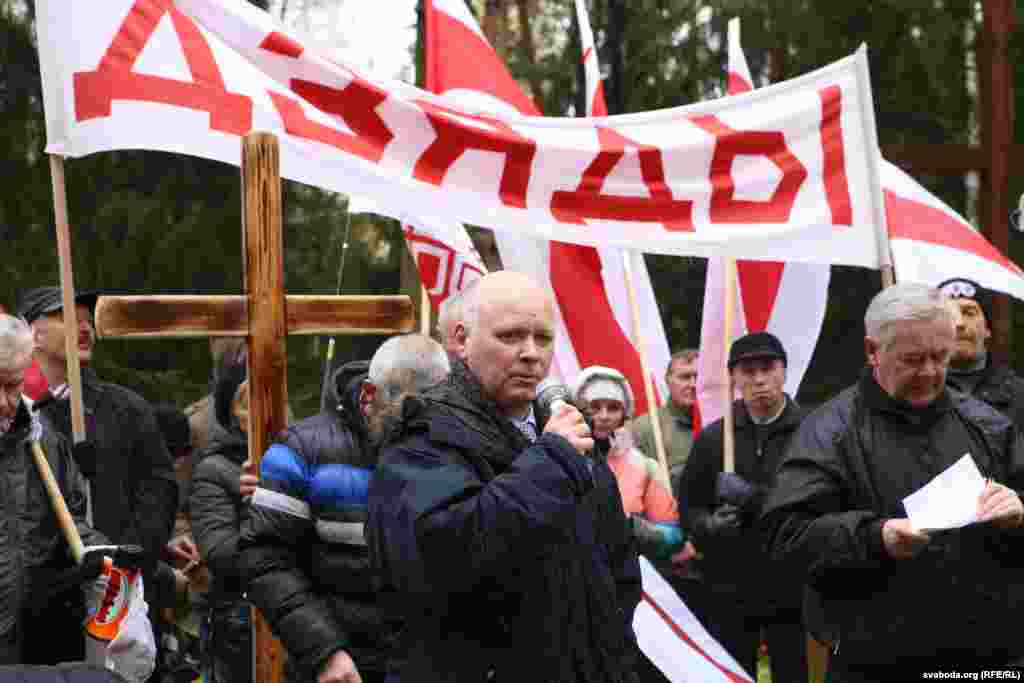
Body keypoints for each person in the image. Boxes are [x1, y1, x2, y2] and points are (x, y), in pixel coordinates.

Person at [368, 271, 642, 683]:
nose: (531, 353)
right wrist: (551, 463)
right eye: (511, 336)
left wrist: (612, 657)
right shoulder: (423, 435)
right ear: (461, 340)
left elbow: (618, 569)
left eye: (543, 338)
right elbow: (447, 556)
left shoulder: (572, 435)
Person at [761, 283, 1024, 681]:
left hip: (991, 659)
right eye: (913, 360)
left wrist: (1019, 510)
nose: (930, 372)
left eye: (940, 356)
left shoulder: (987, 425)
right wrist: (874, 538)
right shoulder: (829, 433)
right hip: (876, 661)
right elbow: (785, 536)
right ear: (873, 351)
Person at [240, 334, 450, 683]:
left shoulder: (450, 448)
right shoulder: (301, 450)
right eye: (410, 411)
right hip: (339, 669)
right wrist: (325, 652)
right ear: (369, 396)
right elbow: (264, 557)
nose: (422, 427)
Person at [18, 286, 178, 663]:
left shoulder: (127, 409)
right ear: (33, 334)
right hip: (40, 609)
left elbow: (159, 493)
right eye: (68, 318)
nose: (85, 328)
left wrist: (126, 563)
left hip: (118, 598)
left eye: (88, 320)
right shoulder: (16, 415)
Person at [678, 331, 807, 682]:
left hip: (792, 584)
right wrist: (707, 526)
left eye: (767, 368)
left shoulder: (811, 433)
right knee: (732, 673)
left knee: (794, 673)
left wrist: (751, 499)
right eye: (748, 371)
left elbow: (814, 505)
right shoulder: (714, 438)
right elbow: (688, 506)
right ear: (733, 378)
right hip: (730, 583)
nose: (759, 379)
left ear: (784, 371)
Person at [0, 314, 109, 664]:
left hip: (34, 638)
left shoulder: (41, 439)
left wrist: (101, 554)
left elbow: (69, 522)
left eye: (12, 386)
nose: (4, 402)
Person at [571, 365, 682, 560]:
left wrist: (639, 530)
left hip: (624, 569)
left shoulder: (644, 466)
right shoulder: (558, 458)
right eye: (594, 407)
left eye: (613, 408)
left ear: (625, 414)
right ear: (578, 409)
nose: (604, 416)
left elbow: (673, 535)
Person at [190, 357, 252, 683]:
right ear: (233, 414)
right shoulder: (213, 471)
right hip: (240, 620)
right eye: (248, 402)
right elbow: (221, 552)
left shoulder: (298, 462)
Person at [938, 277, 1024, 427]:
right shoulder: (914, 394)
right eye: (947, 315)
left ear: (987, 329)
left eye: (969, 313)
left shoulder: (1020, 395)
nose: (959, 323)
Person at [629, 349, 698, 488]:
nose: (693, 384)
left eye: (698, 377)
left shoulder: (722, 425)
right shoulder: (643, 428)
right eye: (685, 377)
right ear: (668, 381)